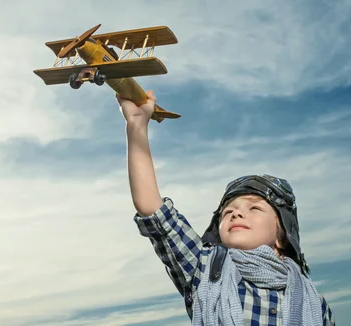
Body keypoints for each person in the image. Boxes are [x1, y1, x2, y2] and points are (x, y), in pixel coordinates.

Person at [116, 90, 335, 325]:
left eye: (254, 208)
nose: (237, 213)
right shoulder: (205, 268)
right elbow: (155, 212)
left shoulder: (314, 303)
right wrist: (137, 125)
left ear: (282, 236)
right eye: (228, 211)